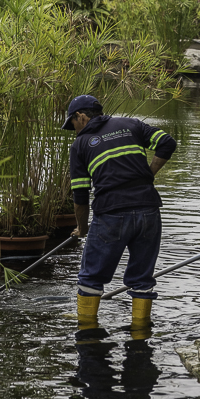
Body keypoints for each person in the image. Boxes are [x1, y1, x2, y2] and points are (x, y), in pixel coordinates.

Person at [62, 94, 177, 335]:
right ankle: (139, 334)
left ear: (80, 116)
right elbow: (167, 142)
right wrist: (148, 174)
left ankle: (87, 332)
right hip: (148, 211)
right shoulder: (131, 124)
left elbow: (81, 197)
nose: (74, 129)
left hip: (111, 214)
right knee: (142, 279)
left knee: (91, 279)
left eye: (72, 123)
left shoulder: (81, 144)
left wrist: (82, 229)